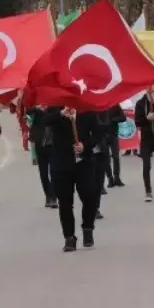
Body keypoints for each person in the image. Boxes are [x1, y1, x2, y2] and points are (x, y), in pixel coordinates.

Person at [45, 105, 103, 252]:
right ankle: (69, 237)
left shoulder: (86, 109)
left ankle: (88, 227)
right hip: (61, 164)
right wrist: (60, 114)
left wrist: (85, 146)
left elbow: (97, 134)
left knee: (90, 196)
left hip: (84, 162)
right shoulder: (55, 109)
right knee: (65, 202)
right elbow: (44, 120)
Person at [134, 84, 154, 202]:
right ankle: (148, 192)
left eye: (152, 85)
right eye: (147, 85)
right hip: (146, 139)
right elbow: (137, 122)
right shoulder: (140, 103)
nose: (150, 87)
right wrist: (146, 119)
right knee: (146, 165)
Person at [28, 104, 56, 207]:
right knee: (43, 172)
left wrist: (48, 108)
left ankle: (53, 197)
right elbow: (28, 110)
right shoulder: (36, 105)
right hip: (40, 143)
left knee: (54, 171)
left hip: (53, 143)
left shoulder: (54, 105)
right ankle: (48, 195)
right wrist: (36, 107)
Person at [104, 104, 126, 188]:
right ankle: (110, 178)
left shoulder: (115, 105)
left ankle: (117, 178)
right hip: (103, 135)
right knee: (106, 158)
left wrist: (113, 119)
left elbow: (123, 117)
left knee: (116, 156)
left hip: (113, 134)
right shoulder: (99, 104)